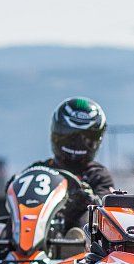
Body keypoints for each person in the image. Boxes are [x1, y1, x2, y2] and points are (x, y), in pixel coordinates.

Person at [31, 97, 116, 231]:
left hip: (82, 242)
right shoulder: (38, 170)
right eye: (69, 137)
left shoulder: (98, 175)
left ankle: (75, 241)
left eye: (84, 139)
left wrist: (86, 200)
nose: (76, 144)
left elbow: (105, 211)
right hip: (37, 230)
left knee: (88, 216)